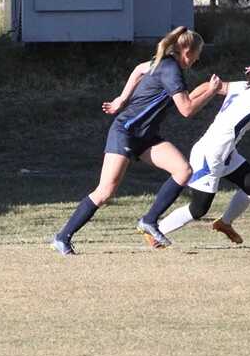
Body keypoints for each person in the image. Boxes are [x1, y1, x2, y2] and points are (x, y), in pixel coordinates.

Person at [51, 26, 222, 256]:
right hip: (125, 132)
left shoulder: (164, 62)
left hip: (146, 136)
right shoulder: (171, 69)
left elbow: (138, 70)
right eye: (198, 53)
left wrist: (122, 99)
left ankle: (149, 221)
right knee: (105, 191)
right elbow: (186, 109)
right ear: (187, 51)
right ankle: (62, 237)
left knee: (183, 170)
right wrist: (212, 92)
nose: (198, 58)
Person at [151, 66, 250, 246]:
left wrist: (189, 98)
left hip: (226, 153)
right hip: (209, 155)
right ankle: (157, 231)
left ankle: (224, 223)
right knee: (199, 209)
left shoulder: (244, 86)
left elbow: (210, 86)